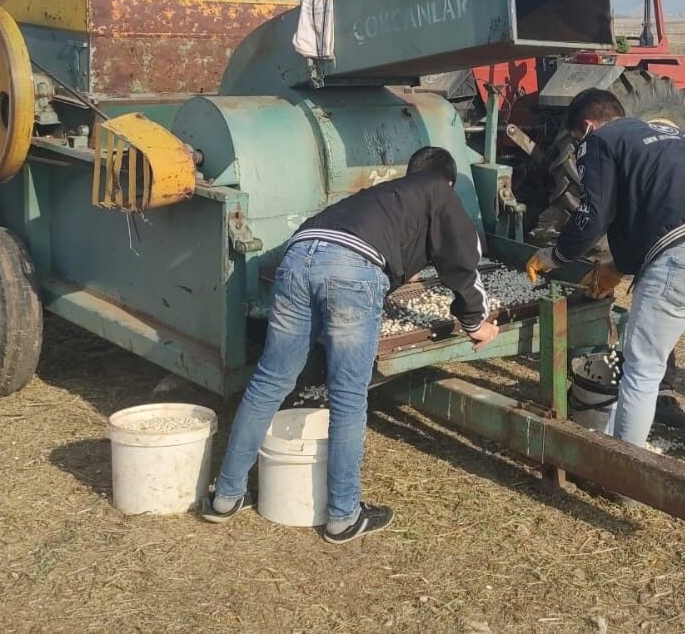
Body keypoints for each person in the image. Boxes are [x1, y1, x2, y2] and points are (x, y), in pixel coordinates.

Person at [202, 146, 500, 541]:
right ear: (447, 179)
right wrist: (475, 321)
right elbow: (462, 256)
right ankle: (343, 515)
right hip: (351, 269)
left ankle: (225, 496)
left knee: (269, 383)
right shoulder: (437, 188)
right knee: (347, 395)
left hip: (297, 257)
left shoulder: (380, 196)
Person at [526, 89, 685, 478]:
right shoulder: (674, 137)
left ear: (586, 126)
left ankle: (623, 476)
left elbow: (593, 216)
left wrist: (554, 256)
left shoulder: (599, 139)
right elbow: (651, 210)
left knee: (642, 370)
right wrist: (621, 266)